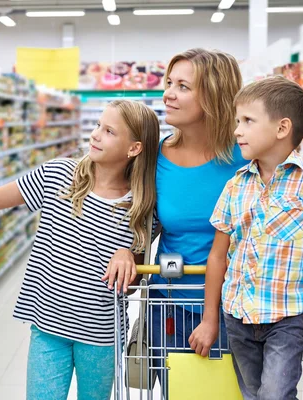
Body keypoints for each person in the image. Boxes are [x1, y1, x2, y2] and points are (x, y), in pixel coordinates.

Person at [0, 99, 159, 400]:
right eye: (98, 125)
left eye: (109, 131)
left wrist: (128, 255)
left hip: (102, 336)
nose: (96, 134)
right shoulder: (59, 175)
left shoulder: (140, 205)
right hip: (48, 328)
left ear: (134, 148)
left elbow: (131, 285)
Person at [189, 76, 303, 400]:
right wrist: (210, 320)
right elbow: (218, 256)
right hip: (237, 316)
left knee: (275, 394)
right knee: (251, 393)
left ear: (282, 128)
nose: (237, 130)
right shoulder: (236, 185)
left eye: (248, 121)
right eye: (238, 121)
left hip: (286, 317)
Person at [104, 48, 248, 395]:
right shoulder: (155, 159)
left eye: (183, 86)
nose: (167, 93)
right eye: (169, 83)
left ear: (214, 95)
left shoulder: (247, 155)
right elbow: (142, 225)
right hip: (169, 306)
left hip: (238, 308)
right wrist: (127, 251)